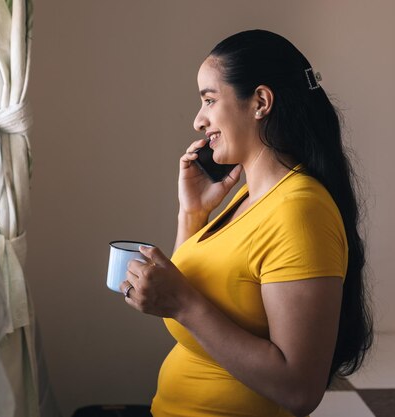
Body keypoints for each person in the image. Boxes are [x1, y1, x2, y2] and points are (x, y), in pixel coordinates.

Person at [120, 29, 373, 417]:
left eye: (208, 100)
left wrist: (183, 304)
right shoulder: (249, 196)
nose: (198, 121)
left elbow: (300, 390)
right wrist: (192, 214)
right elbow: (201, 306)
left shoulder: (299, 212)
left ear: (260, 102)